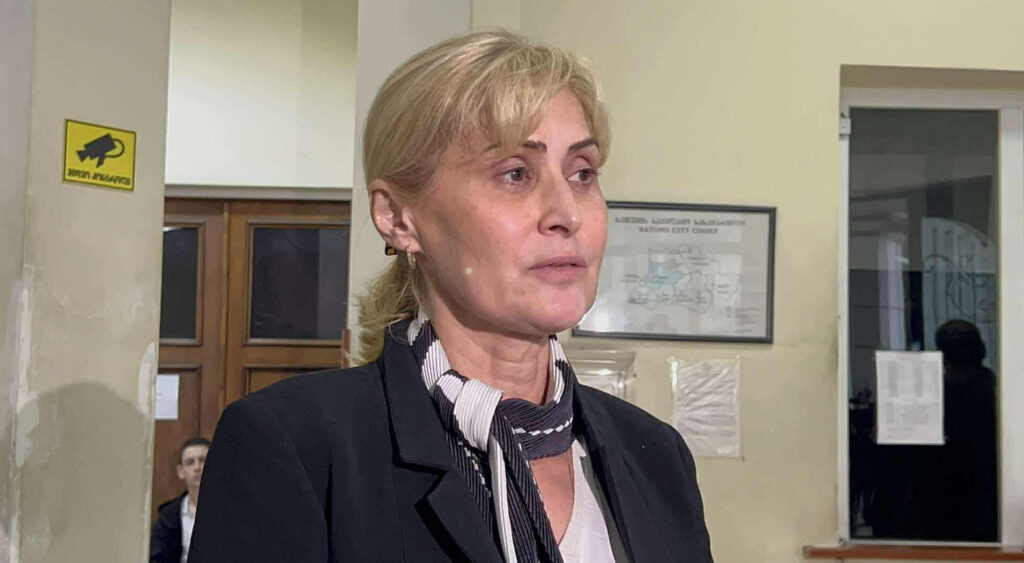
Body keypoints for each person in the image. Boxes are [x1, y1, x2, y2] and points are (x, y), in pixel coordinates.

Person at [189, 30, 712, 562]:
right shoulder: (296, 445)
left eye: (582, 174)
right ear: (398, 218)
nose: (566, 214)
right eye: (515, 173)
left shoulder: (656, 455)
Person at [151, 437, 209, 563]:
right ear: (181, 472)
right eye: (190, 462)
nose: (197, 467)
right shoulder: (168, 516)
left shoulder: (230, 511)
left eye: (203, 460)